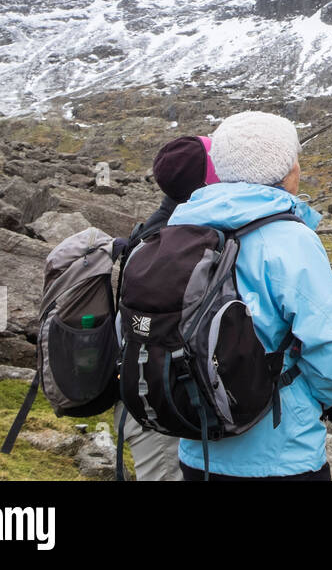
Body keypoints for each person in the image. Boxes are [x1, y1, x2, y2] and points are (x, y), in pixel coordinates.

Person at [164, 111, 332, 480]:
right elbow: (331, 345)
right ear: (286, 170)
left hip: (197, 448)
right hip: (281, 452)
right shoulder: (290, 240)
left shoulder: (180, 228)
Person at [114, 135, 219, 481]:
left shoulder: (157, 231)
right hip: (159, 398)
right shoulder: (179, 241)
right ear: (204, 180)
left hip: (150, 388)